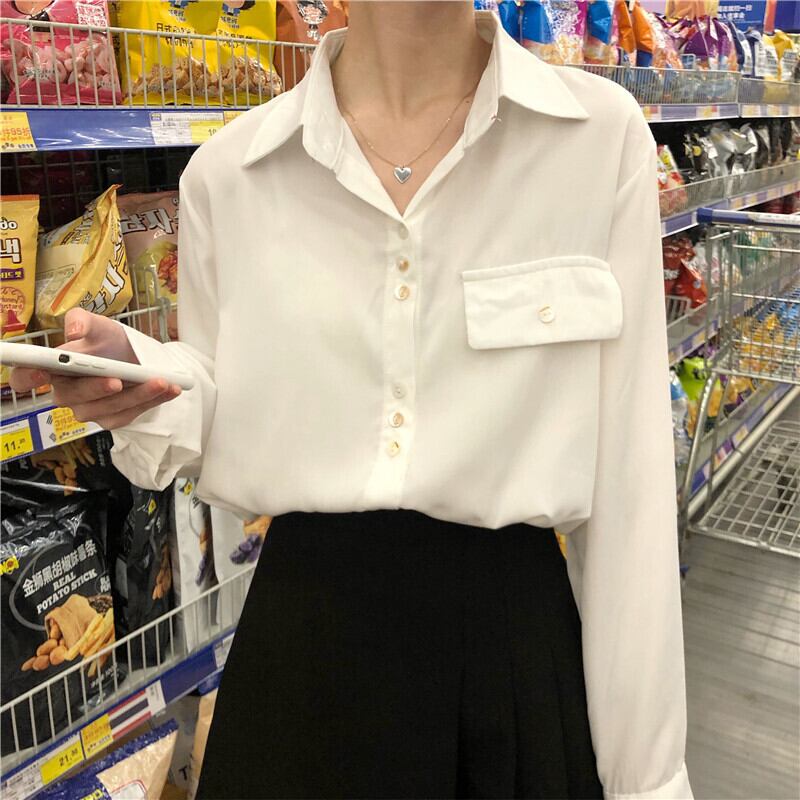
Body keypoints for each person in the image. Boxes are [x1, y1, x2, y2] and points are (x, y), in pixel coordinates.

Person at [10, 2, 694, 798]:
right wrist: (147, 379)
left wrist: (648, 781)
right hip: (300, 660)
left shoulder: (595, 138)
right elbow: (232, 396)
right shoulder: (230, 175)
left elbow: (631, 491)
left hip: (513, 666)